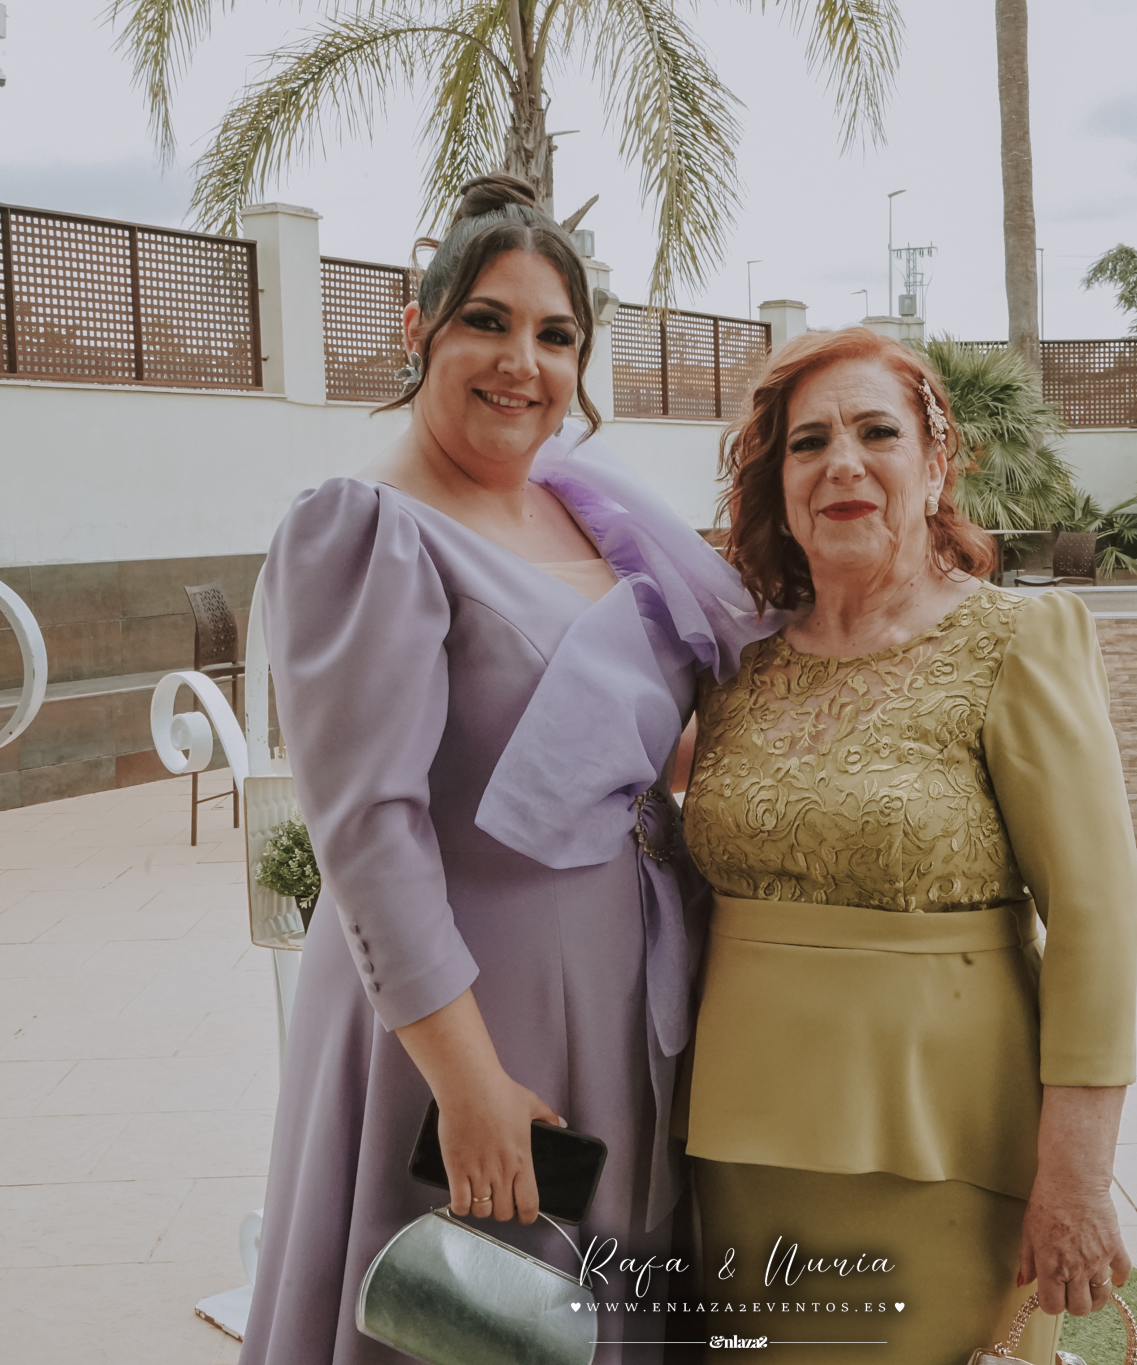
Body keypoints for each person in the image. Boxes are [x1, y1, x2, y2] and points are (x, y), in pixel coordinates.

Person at [243, 174, 773, 1365]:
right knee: (474, 1319)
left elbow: (646, 742)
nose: (520, 362)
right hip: (466, 1019)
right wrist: (467, 1084)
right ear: (417, 328)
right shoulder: (364, 527)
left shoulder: (588, 514)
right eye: (486, 320)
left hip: (621, 999)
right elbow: (368, 831)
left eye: (554, 334)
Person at [679, 326, 1137, 1363]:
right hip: (733, 1147)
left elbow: (1098, 921)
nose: (841, 463)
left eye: (876, 432)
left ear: (935, 467)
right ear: (779, 486)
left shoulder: (1016, 640)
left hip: (946, 1149)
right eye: (808, 443)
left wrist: (1077, 1176)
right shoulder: (733, 666)